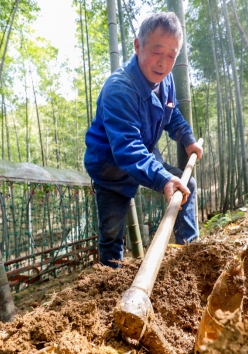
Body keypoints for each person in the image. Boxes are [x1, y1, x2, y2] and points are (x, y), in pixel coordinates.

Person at [84, 12, 203, 268]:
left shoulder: (166, 79)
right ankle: (108, 283)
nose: (163, 63)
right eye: (157, 51)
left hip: (146, 152)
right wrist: (161, 178)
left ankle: (191, 256)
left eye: (172, 55)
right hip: (111, 168)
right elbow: (127, 148)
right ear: (138, 46)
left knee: (186, 185)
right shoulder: (119, 88)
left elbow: (172, 113)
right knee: (112, 235)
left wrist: (188, 139)